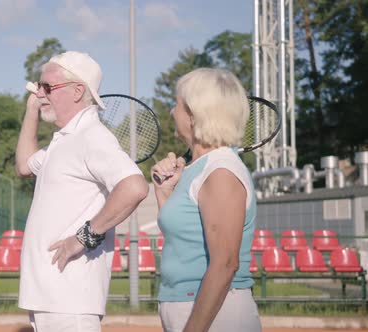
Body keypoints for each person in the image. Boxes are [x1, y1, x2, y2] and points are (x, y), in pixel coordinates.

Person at [15, 51, 149, 332]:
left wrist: (83, 238)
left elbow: (134, 187)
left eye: (47, 87)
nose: (40, 93)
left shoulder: (91, 135)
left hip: (70, 298)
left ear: (78, 91)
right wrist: (32, 110)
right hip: (52, 295)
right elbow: (25, 166)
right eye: (39, 86)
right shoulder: (65, 139)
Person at [151, 68, 261, 332]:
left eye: (176, 104)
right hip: (190, 307)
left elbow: (225, 263)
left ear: (194, 114)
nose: (171, 112)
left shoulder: (221, 171)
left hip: (215, 315)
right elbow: (184, 238)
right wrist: (164, 192)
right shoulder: (197, 168)